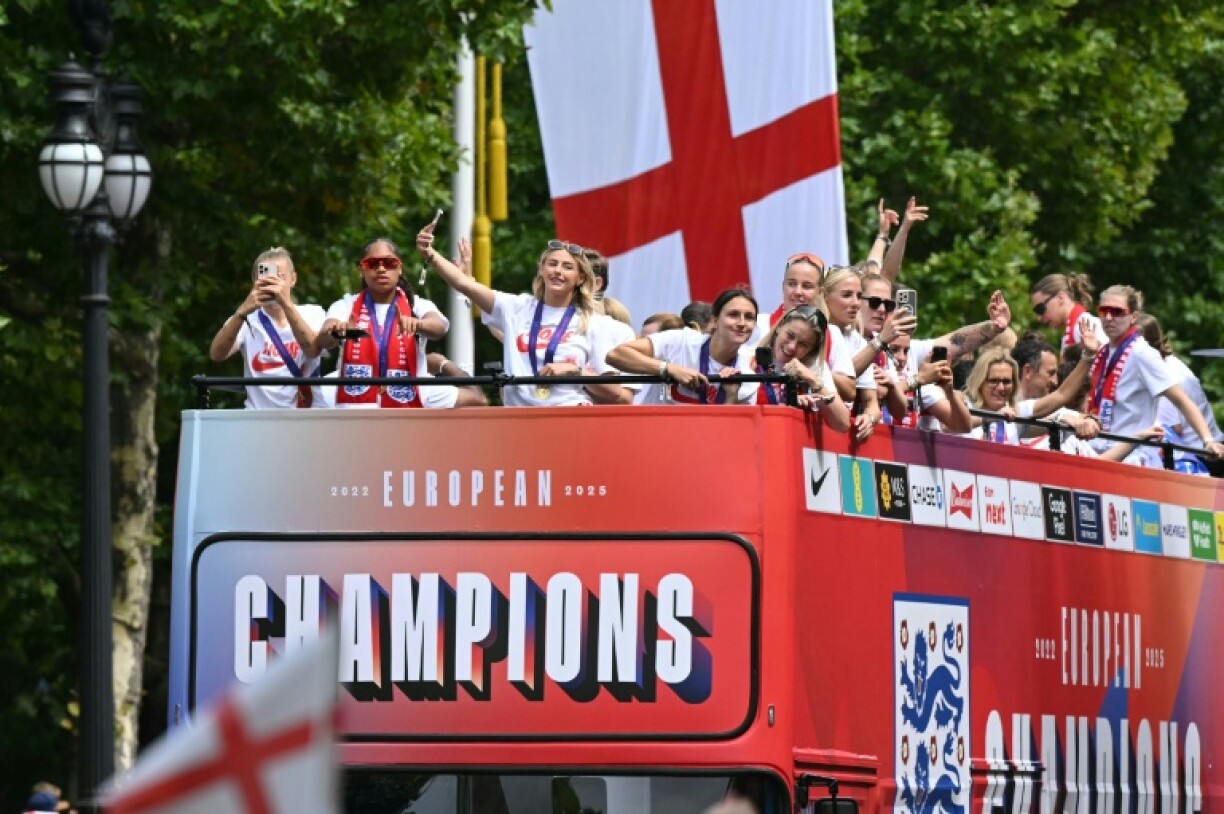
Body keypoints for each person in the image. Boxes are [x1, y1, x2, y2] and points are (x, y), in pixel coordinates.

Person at [416, 227, 631, 406]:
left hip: (570, 415)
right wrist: (430, 254)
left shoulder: (593, 322)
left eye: (567, 267)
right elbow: (464, 285)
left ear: (580, 278)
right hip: (520, 418)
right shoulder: (517, 307)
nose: (558, 271)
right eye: (552, 264)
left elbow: (616, 393)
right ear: (541, 270)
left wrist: (575, 371)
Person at [1085, 285, 1224, 466]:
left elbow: (1182, 400)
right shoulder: (1103, 352)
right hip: (1102, 450)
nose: (1109, 318)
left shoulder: (1142, 352)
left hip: (1132, 458)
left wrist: (1208, 440)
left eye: (1117, 312)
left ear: (1133, 317)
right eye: (1104, 311)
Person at [313, 238, 452, 409]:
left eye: (389, 263)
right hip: (356, 412)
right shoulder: (346, 304)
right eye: (372, 263)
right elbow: (324, 339)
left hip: (406, 409)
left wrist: (417, 324)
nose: (381, 269)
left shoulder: (415, 304)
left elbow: (440, 327)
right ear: (361, 270)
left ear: (399, 268)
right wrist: (334, 331)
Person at [208, 247, 326, 409]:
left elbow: (313, 350)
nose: (273, 284)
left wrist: (286, 303)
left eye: (280, 277)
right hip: (258, 417)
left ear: (293, 279)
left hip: (304, 416)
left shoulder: (313, 313)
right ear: (254, 280)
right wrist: (242, 311)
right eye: (266, 278)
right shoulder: (246, 319)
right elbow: (217, 355)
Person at [607, 288, 761, 405]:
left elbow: (731, 433)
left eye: (749, 317)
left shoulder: (746, 376)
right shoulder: (681, 341)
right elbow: (615, 355)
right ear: (714, 321)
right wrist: (669, 369)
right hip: (657, 438)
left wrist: (731, 395)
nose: (742, 323)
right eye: (733, 315)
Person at [1136, 312, 1222, 473]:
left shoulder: (1161, 372)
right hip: (1207, 450)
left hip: (1200, 459)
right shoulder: (1168, 361)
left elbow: (1172, 429)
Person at [752, 305, 850, 430]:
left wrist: (813, 380)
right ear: (780, 327)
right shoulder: (750, 355)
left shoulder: (814, 366)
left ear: (811, 350)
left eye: (803, 344)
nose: (792, 346)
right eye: (790, 335)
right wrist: (791, 402)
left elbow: (842, 424)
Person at [821, 264, 882, 439]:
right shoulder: (808, 330)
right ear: (824, 296)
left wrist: (869, 418)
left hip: (840, 431)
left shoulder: (859, 342)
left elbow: (871, 402)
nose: (856, 303)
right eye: (847, 295)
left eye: (859, 296)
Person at [1030, 272, 1105, 355]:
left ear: (1060, 297)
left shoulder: (1086, 326)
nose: (1039, 318)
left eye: (1040, 309)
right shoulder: (1075, 328)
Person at [962, 348, 1022, 443]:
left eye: (1006, 382)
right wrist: (987, 418)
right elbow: (946, 426)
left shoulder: (1014, 413)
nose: (1001, 388)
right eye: (993, 381)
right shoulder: (963, 406)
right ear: (980, 382)